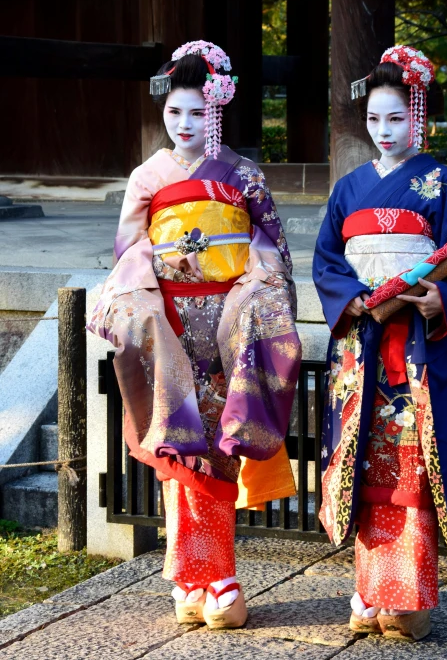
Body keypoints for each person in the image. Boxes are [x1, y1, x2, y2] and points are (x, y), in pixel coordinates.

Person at [89, 41, 301, 629]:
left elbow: (271, 249)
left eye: (197, 114)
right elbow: (128, 251)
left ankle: (216, 576)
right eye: (175, 112)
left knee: (217, 452)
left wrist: (256, 289)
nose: (185, 125)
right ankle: (195, 580)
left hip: (229, 324)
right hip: (170, 326)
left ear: (217, 113)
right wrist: (150, 279)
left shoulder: (243, 174)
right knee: (180, 454)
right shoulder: (146, 177)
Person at [312, 45, 447, 641]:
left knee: (412, 466)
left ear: (419, 117)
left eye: (396, 119)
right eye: (374, 121)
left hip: (416, 344)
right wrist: (352, 299)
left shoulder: (441, 183)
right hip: (363, 345)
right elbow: (327, 259)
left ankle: (408, 594)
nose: (384, 132)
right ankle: (366, 590)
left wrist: (443, 300)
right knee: (364, 466)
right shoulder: (349, 186)